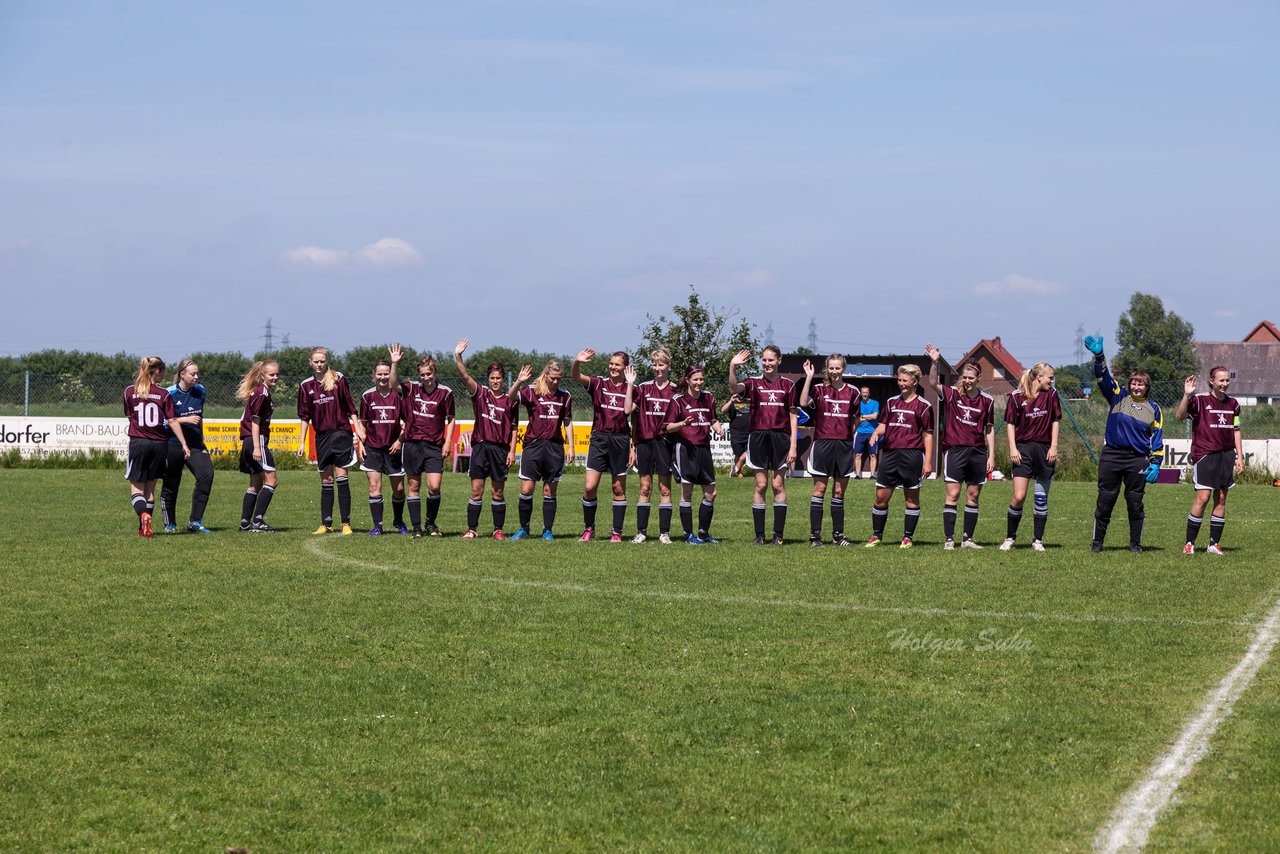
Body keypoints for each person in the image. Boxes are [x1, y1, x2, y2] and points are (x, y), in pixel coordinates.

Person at [1085, 336, 1164, 553]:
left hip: (1137, 459)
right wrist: (1099, 356)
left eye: (1141, 384)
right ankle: (1097, 543)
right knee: (1105, 500)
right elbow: (1103, 377)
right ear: (1129, 384)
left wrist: (1156, 462)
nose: (1137, 386)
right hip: (1111, 455)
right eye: (1134, 383)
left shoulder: (1154, 408)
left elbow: (1157, 437)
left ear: (1147, 387)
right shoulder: (1118, 397)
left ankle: (1135, 544)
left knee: (1135, 502)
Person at [924, 345, 995, 550]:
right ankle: (949, 539)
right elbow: (932, 383)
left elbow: (989, 430)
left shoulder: (987, 401)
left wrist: (991, 456)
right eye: (965, 377)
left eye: (971, 378)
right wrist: (935, 362)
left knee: (973, 495)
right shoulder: (952, 394)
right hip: (955, 450)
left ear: (978, 378)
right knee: (953, 495)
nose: (967, 380)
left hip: (977, 452)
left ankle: (967, 539)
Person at [729, 346, 798, 545]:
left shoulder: (788, 385)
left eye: (771, 360)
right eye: (764, 360)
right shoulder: (753, 382)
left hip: (780, 438)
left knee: (778, 484)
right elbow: (734, 389)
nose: (767, 364)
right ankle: (759, 536)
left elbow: (793, 416)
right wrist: (732, 366)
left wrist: (793, 445)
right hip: (758, 436)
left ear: (779, 361)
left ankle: (778, 536)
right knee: (761, 484)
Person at [454, 338, 519, 539]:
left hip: (500, 450)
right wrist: (458, 356)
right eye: (492, 378)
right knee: (476, 491)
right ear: (488, 379)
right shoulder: (480, 394)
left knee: (497, 493)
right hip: (481, 448)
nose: (496, 381)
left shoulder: (510, 401)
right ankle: (472, 529)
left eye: (499, 378)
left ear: (502, 379)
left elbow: (515, 428)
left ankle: (498, 530)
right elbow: (465, 376)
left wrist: (512, 451)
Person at [297, 346, 365, 535]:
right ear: (310, 363)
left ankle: (346, 524)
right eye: (316, 361)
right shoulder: (306, 386)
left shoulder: (338, 379)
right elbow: (304, 417)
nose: (319, 364)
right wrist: (301, 442)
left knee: (342, 478)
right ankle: (326, 524)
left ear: (327, 361)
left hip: (341, 433)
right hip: (322, 437)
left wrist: (357, 428)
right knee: (326, 480)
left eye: (322, 361)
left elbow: (350, 407)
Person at [1176, 367, 1243, 555]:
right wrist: (1186, 395)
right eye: (1221, 381)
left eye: (1227, 381)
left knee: (1221, 498)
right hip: (1205, 454)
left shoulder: (1234, 404)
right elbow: (1179, 416)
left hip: (1226, 455)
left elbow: (1236, 430)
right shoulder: (1199, 401)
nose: (1225, 384)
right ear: (1211, 381)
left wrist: (1239, 456)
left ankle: (1213, 544)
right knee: (1203, 498)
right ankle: (1189, 543)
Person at [865, 365, 934, 548]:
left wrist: (928, 461)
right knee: (880, 496)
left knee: (911, 497)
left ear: (915, 382)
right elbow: (884, 425)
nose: (901, 384)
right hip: (890, 454)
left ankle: (907, 538)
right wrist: (876, 433)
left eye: (905, 380)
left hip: (912, 455)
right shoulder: (891, 403)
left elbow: (928, 435)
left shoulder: (924, 406)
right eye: (899, 380)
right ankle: (876, 536)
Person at [508, 359, 576, 540]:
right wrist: (519, 381)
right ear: (546, 375)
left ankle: (547, 530)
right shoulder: (532, 391)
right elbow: (511, 397)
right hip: (533, 446)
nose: (555, 382)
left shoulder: (565, 396)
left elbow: (567, 422)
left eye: (559, 379)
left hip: (554, 447)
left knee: (549, 491)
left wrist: (571, 446)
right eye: (552, 378)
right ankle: (524, 529)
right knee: (527, 489)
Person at [572, 348, 633, 542]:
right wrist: (577, 362)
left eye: (617, 364)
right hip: (599, 439)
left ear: (625, 368)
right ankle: (589, 528)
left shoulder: (633, 389)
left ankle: (616, 532)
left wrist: (634, 446)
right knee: (590, 487)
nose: (613, 367)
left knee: (618, 488)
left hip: (621, 440)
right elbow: (576, 377)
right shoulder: (599, 383)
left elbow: (632, 415)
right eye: (611, 363)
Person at [124, 357, 190, 537]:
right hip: (160, 444)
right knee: (150, 489)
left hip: (139, 442)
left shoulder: (129, 392)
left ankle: (143, 515)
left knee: (137, 488)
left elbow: (130, 416)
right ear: (158, 371)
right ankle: (144, 528)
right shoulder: (164, 394)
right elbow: (172, 420)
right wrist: (184, 444)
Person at [798, 354, 858, 547]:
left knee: (839, 492)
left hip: (844, 446)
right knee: (820, 489)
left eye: (837, 368)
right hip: (823, 444)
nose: (834, 372)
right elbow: (803, 402)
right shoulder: (818, 389)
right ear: (827, 369)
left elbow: (855, 422)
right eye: (831, 368)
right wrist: (808, 377)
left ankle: (838, 536)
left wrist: (846, 438)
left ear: (843, 369)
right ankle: (815, 537)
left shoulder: (853, 392)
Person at [1001, 363, 1061, 552]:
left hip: (1044, 450)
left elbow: (1055, 421)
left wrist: (1053, 446)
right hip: (1023, 450)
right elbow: (1010, 424)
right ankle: (1010, 538)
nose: (1052, 381)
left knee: (1041, 498)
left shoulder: (1051, 395)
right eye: (1050, 377)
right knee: (1018, 497)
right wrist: (1013, 448)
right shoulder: (1016, 396)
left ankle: (1038, 540)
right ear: (1039, 377)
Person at [664, 366, 725, 544]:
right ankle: (688, 534)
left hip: (704, 449)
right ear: (688, 380)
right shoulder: (678, 400)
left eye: (701, 379)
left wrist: (718, 428)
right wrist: (682, 423)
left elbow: (712, 419)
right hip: (685, 449)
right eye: (695, 379)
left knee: (711, 493)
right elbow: (668, 427)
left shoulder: (709, 398)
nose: (699, 382)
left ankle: (703, 533)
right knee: (687, 492)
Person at [399, 355, 455, 538]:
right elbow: (392, 383)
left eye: (428, 373)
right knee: (413, 485)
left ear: (434, 372)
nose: (425, 377)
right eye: (422, 374)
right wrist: (394, 363)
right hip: (413, 444)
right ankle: (416, 528)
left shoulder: (445, 392)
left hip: (433, 446)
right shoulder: (411, 388)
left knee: (435, 486)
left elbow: (451, 419)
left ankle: (430, 523)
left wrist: (447, 442)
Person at [625, 349, 677, 543]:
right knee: (645, 488)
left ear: (668, 366)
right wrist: (630, 385)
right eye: (654, 364)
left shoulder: (675, 390)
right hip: (645, 442)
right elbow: (628, 410)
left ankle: (664, 533)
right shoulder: (643, 388)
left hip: (665, 443)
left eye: (661, 364)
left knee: (665, 489)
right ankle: (641, 532)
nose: (657, 368)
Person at [159, 358, 214, 534]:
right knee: (171, 483)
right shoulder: (169, 393)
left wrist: (202, 441)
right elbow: (163, 422)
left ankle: (195, 522)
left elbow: (200, 417)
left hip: (195, 445)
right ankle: (170, 524)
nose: (196, 377)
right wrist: (184, 419)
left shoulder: (201, 391)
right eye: (193, 373)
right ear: (182, 374)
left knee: (206, 474)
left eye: (197, 373)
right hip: (173, 444)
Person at [359, 348, 409, 536]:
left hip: (394, 449)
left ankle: (398, 520)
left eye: (386, 374)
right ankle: (378, 526)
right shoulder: (367, 396)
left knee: (399, 489)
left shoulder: (399, 396)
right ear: (374, 375)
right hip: (373, 448)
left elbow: (409, 423)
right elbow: (362, 424)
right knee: (374, 486)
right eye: (379, 374)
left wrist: (399, 441)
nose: (382, 377)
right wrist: (360, 443)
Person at [236, 359, 281, 532]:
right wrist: (257, 447)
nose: (275, 377)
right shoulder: (262, 393)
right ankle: (258, 521)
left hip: (250, 440)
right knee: (272, 480)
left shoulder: (260, 392)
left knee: (255, 482)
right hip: (256, 440)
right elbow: (255, 422)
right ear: (262, 375)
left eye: (277, 374)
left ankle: (245, 523)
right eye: (271, 374)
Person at [853, 386, 880, 480]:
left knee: (873, 455)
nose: (864, 394)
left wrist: (862, 416)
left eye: (866, 392)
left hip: (872, 432)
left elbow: (875, 416)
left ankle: (872, 475)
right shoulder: (857, 404)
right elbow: (856, 419)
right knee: (858, 454)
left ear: (869, 393)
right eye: (863, 392)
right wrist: (867, 417)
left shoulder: (874, 403)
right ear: (860, 393)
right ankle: (857, 475)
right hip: (859, 432)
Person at [721, 393, 750, 477]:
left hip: (750, 432)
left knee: (749, 451)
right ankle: (738, 471)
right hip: (736, 433)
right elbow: (723, 410)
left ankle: (736, 467)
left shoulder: (750, 402)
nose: (741, 396)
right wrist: (730, 401)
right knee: (738, 453)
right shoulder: (732, 403)